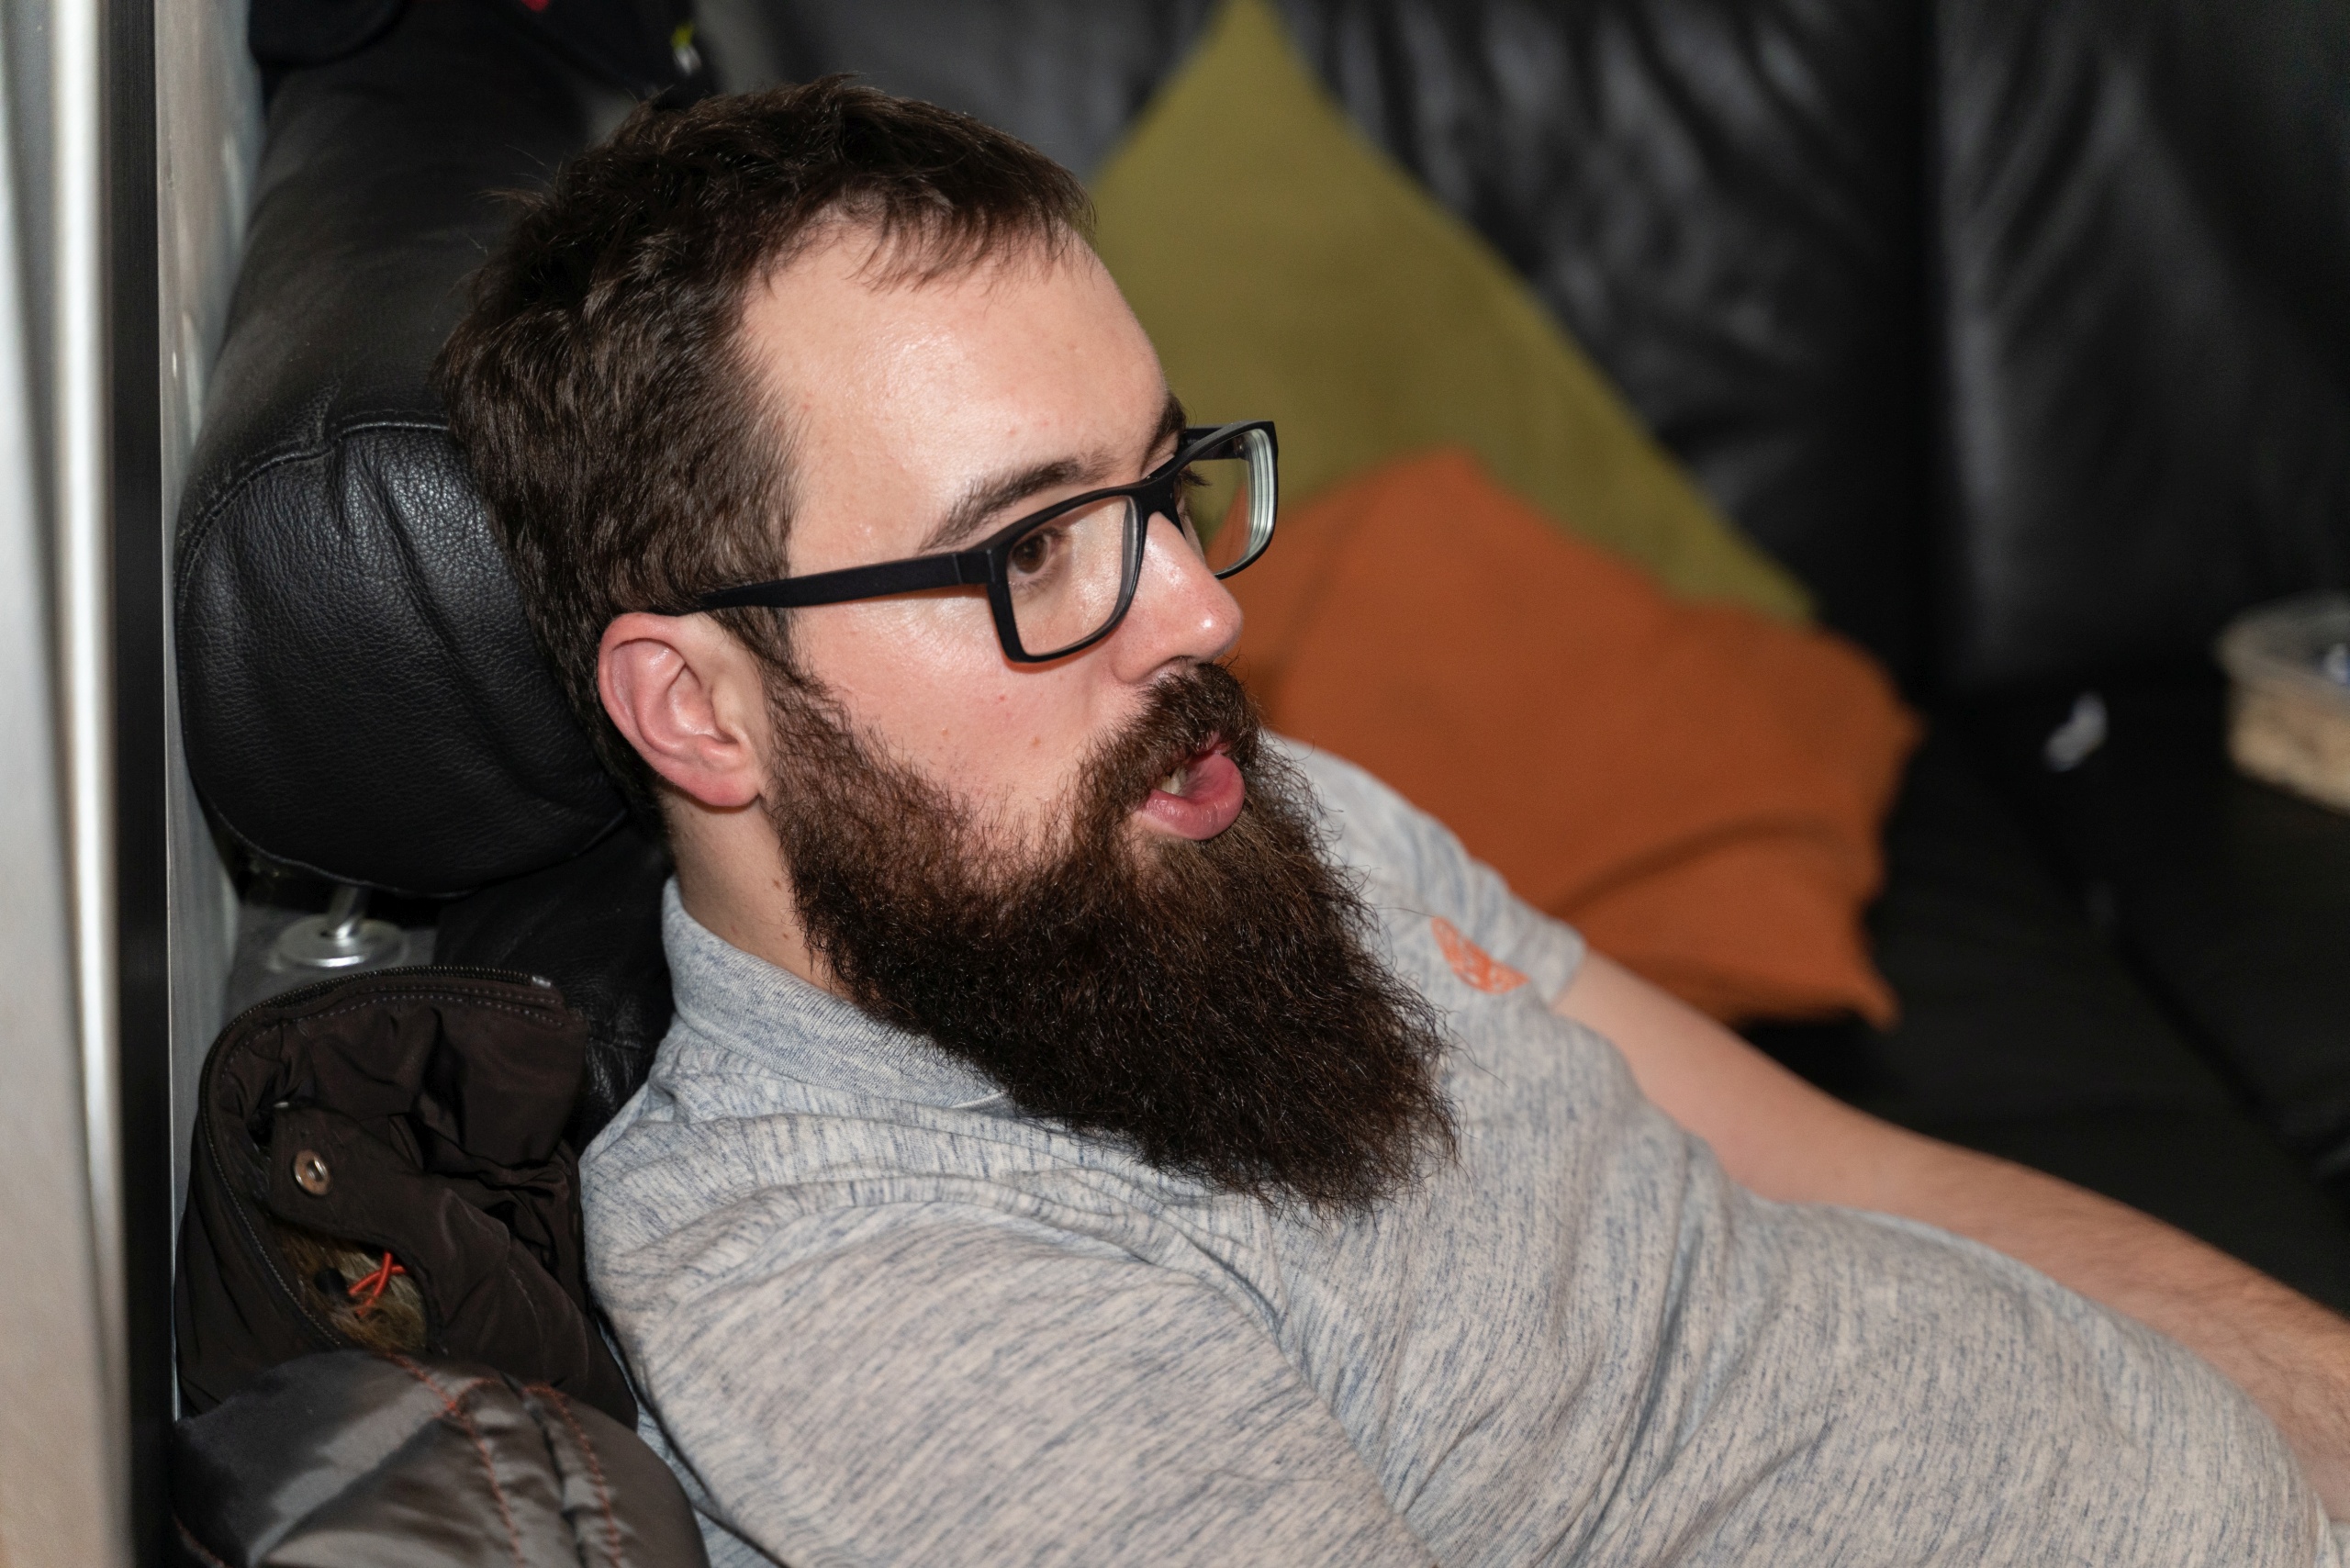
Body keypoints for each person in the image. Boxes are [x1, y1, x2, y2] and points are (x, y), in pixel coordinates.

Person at [439, 79, 2350, 1566]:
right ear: (697, 709)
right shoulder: (883, 1291)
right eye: (1028, 548)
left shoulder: (1202, 827)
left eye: (1161, 488)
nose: (1202, 613)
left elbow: (1840, 1169)